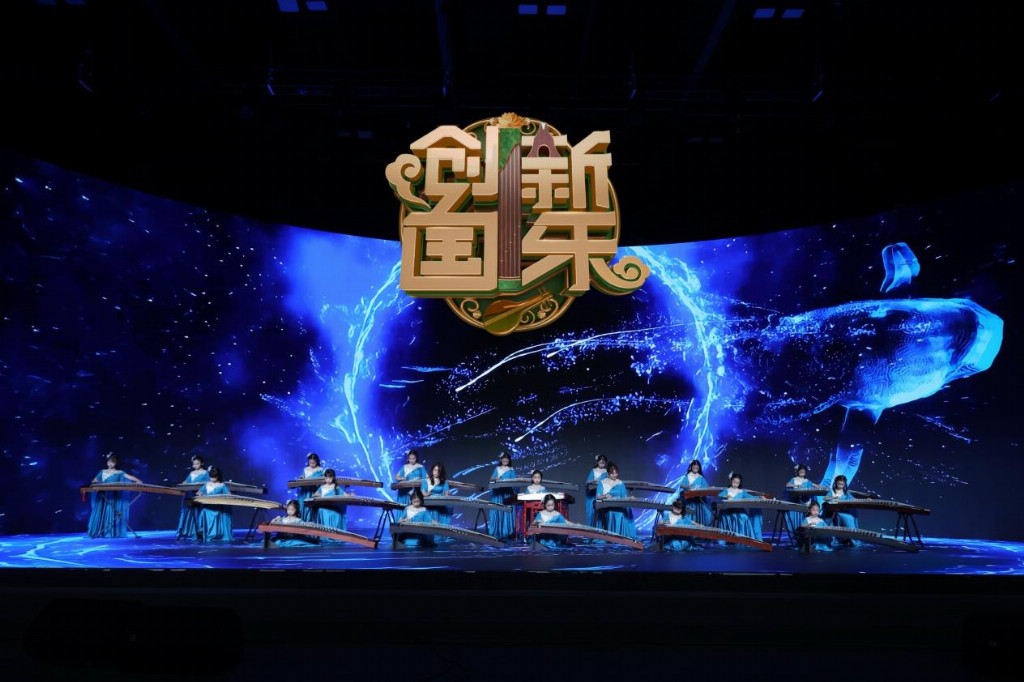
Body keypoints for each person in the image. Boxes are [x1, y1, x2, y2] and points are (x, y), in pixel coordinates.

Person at [86, 453, 142, 538]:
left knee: (111, 511)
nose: (110, 463)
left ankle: (109, 532)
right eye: (109, 461)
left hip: (112, 496)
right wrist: (97, 483)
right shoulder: (102, 472)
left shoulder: (119, 472)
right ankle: (98, 531)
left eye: (113, 462)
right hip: (102, 495)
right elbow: (94, 481)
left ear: (116, 463)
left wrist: (138, 481)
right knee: (100, 512)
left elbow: (130, 477)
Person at [716, 472, 764, 542]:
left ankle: (742, 538)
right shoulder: (727, 490)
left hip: (738, 510)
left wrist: (759, 497)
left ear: (739, 483)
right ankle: (730, 538)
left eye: (737, 483)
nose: (735, 484)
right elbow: (719, 495)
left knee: (744, 517)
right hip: (728, 510)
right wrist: (725, 496)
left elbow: (751, 497)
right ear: (731, 481)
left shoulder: (742, 492)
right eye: (734, 482)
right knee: (727, 516)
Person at [595, 462, 636, 540]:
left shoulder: (620, 483)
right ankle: (611, 537)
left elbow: (624, 497)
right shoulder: (602, 482)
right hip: (607, 508)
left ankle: (620, 537)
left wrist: (630, 498)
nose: (615, 475)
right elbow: (598, 496)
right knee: (611, 513)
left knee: (621, 514)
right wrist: (605, 496)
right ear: (608, 473)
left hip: (618, 507)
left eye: (616, 473)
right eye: (612, 473)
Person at [176, 455, 210, 540]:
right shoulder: (192, 473)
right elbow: (186, 481)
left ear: (202, 463)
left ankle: (199, 531)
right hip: (190, 494)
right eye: (194, 464)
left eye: (197, 464)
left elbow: (208, 483)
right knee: (188, 511)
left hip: (199, 494)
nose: (195, 466)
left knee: (199, 512)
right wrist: (181, 484)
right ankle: (187, 531)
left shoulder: (205, 473)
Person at [195, 467, 233, 542]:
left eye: (214, 477)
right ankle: (204, 532)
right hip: (208, 507)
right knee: (203, 512)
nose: (212, 479)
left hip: (217, 507)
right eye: (211, 477)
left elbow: (229, 494)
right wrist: (201, 494)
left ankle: (215, 534)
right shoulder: (207, 484)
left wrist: (223, 496)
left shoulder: (222, 485)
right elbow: (198, 492)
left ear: (218, 476)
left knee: (216, 513)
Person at [312, 468, 352, 537]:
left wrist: (350, 494)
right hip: (324, 506)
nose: (328, 480)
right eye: (326, 478)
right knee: (321, 510)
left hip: (333, 507)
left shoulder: (336, 487)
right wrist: (317, 495)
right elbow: (314, 495)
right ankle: (325, 533)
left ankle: (333, 534)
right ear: (324, 478)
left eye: (330, 478)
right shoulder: (322, 487)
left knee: (335, 513)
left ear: (333, 478)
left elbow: (345, 495)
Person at [487, 451, 517, 540]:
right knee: (497, 510)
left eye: (507, 459)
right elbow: (491, 479)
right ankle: (496, 531)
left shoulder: (511, 470)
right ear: (501, 459)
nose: (505, 460)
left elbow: (515, 482)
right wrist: (496, 478)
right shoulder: (497, 468)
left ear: (509, 460)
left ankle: (507, 532)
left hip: (507, 493)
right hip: (498, 493)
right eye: (504, 458)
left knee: (507, 510)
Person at [825, 475, 860, 546]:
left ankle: (850, 537)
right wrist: (833, 497)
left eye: (842, 484)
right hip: (834, 510)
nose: (840, 486)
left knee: (851, 516)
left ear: (844, 484)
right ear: (836, 483)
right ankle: (841, 538)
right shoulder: (832, 491)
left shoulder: (846, 492)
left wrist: (866, 499)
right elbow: (825, 498)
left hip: (844, 510)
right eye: (839, 484)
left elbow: (854, 499)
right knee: (847, 518)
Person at [676, 459, 713, 526]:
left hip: (698, 503)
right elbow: (681, 486)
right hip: (688, 502)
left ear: (699, 468)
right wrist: (687, 487)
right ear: (691, 467)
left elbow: (706, 489)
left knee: (699, 519)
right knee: (688, 519)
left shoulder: (701, 478)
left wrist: (708, 489)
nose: (695, 469)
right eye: (694, 467)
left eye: (697, 468)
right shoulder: (687, 476)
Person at [783, 463, 816, 539]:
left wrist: (820, 486)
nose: (802, 473)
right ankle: (795, 535)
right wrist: (796, 485)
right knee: (794, 519)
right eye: (801, 471)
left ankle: (804, 536)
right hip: (795, 502)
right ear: (798, 472)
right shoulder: (794, 479)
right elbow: (787, 485)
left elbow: (814, 486)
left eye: (804, 471)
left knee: (804, 519)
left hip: (804, 503)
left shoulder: (807, 481)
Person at [421, 463, 453, 527]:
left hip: (439, 503)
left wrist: (447, 494)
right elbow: (423, 491)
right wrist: (426, 494)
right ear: (432, 470)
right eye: (435, 470)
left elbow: (446, 492)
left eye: (438, 471)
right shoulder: (426, 481)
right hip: (429, 502)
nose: (436, 472)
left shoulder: (444, 482)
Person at [298, 453, 326, 521]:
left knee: (315, 506)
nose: (311, 464)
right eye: (310, 463)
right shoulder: (305, 469)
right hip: (306, 491)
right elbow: (302, 478)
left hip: (315, 490)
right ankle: (304, 521)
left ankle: (314, 523)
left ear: (317, 461)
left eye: (313, 463)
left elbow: (324, 480)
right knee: (304, 505)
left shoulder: (321, 470)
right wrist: (301, 478)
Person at [584, 454, 609, 528]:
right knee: (591, 513)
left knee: (603, 513)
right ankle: (591, 531)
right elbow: (587, 482)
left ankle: (602, 530)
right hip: (592, 495)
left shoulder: (607, 472)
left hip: (603, 495)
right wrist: (594, 480)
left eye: (603, 461)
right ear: (597, 462)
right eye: (600, 461)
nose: (602, 462)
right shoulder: (593, 470)